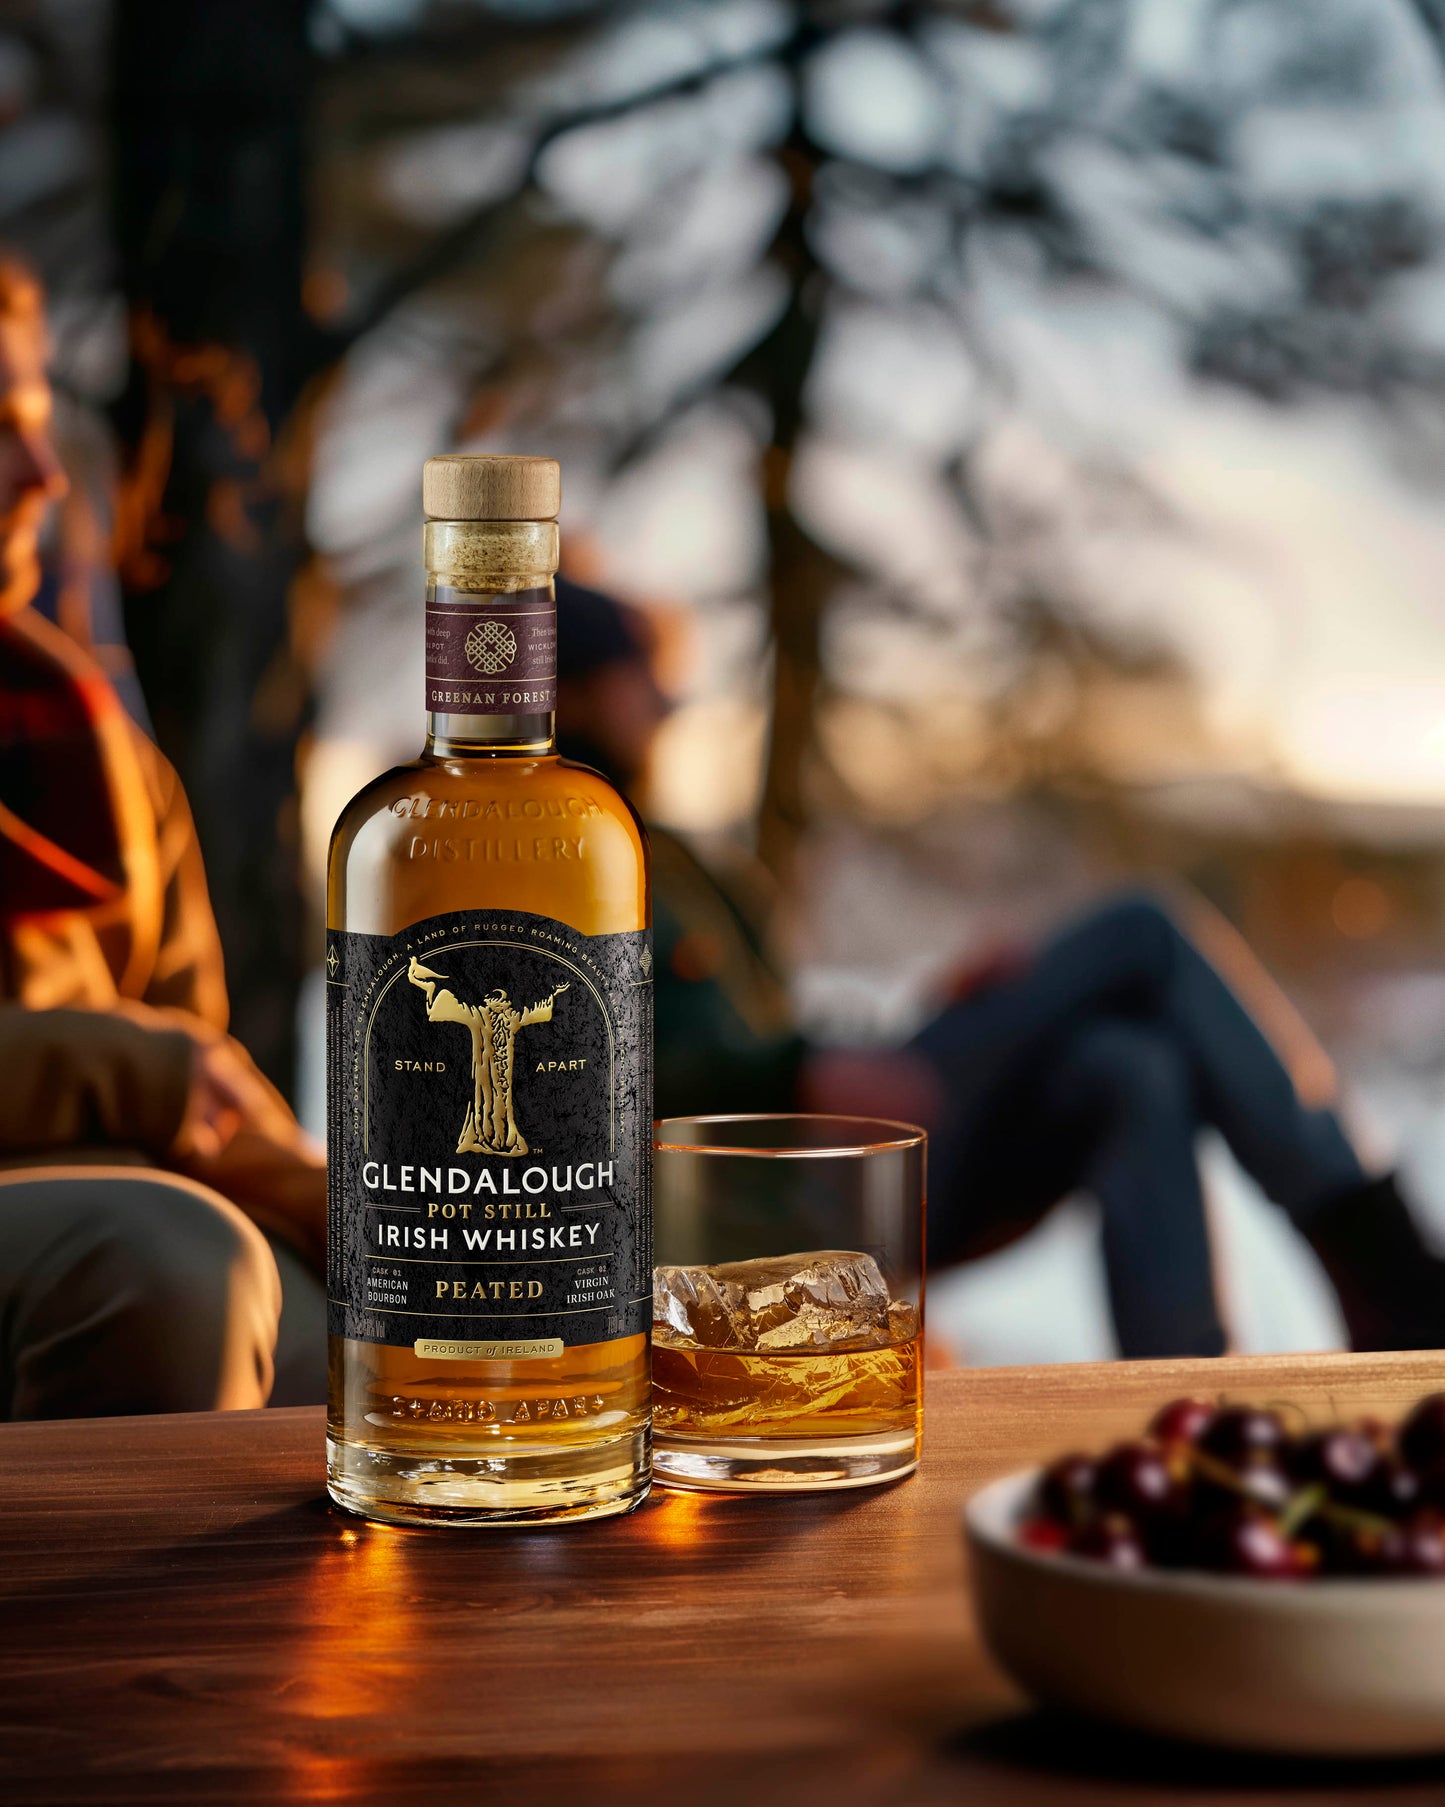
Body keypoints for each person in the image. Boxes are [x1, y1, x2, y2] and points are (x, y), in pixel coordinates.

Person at [553, 576, 1445, 1362]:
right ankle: (1383, 1263)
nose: (668, 703)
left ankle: (1194, 1398)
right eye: (644, 679)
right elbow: (576, 1082)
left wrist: (927, 1010)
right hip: (769, 1201)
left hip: (836, 1152)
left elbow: (767, 1030)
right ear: (578, 692)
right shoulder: (552, 854)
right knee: (1141, 933)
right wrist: (789, 1069)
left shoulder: (674, 859)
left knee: (1127, 1067)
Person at [0, 260, 326, 1417]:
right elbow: (164, 1069)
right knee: (159, 1261)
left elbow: (201, 1073)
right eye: (1, 433)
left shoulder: (91, 742)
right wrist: (118, 1071)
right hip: (118, 1228)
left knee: (413, 1342)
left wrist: (363, 1226)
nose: (41, 476)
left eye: (37, 430)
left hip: (147, 1192)